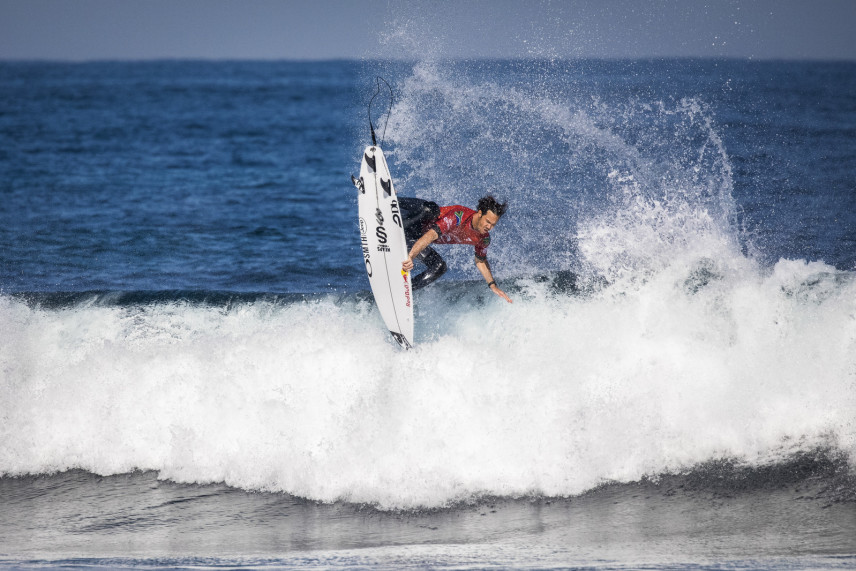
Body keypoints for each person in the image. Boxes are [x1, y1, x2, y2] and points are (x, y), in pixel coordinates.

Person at [400, 195, 512, 303]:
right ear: (479, 214)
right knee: (431, 209)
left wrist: (492, 285)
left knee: (439, 267)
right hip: (410, 218)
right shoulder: (459, 216)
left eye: (493, 224)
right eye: (488, 222)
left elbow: (481, 260)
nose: (489, 227)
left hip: (412, 239)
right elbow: (431, 235)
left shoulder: (483, 239)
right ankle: (393, 202)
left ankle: (404, 290)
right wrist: (411, 257)